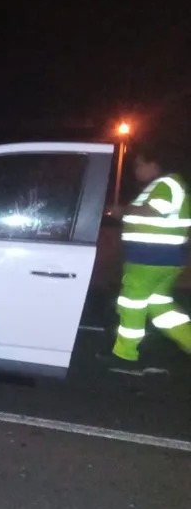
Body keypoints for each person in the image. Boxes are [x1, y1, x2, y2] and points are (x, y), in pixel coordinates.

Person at [111, 139, 191, 368]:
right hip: (165, 259)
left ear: (153, 164)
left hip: (150, 259)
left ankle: (125, 354)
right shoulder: (170, 185)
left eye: (139, 164)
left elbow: (154, 211)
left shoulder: (166, 184)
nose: (136, 170)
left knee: (131, 304)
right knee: (160, 306)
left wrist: (123, 210)